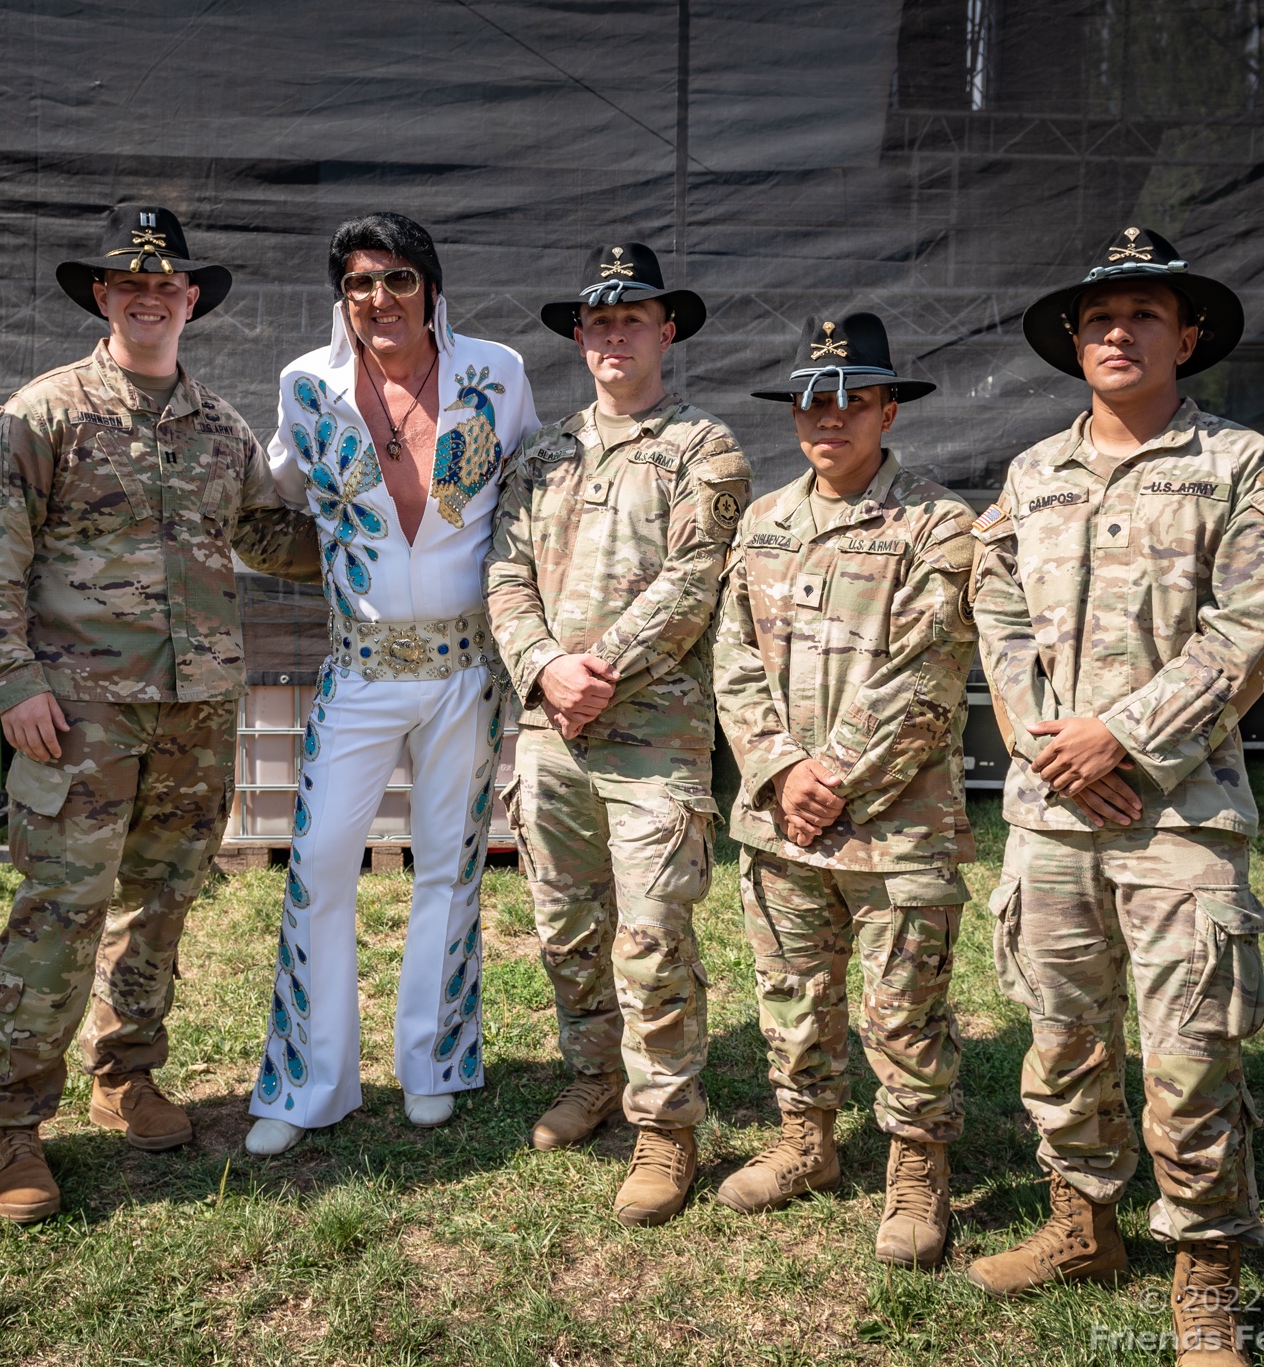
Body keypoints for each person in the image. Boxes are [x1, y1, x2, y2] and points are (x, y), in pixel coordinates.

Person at [967, 228, 1264, 1366]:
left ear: (1188, 335)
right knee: (1061, 1038)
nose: (1116, 333)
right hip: (1050, 810)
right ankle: (1082, 1227)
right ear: (1074, 343)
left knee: (1189, 1052)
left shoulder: (1246, 468)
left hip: (1179, 811)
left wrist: (1117, 736)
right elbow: (996, 613)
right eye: (1097, 319)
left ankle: (1204, 1274)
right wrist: (1040, 740)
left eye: (1142, 315)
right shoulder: (1031, 475)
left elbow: (1248, 631)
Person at [0, 203, 319, 1221]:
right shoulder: (45, 414)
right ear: (102, 297)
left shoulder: (220, 427)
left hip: (197, 709)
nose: (149, 298)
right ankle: (12, 1126)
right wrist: (13, 681)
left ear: (190, 300)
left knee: (160, 902)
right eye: (129, 284)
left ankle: (126, 1074)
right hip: (79, 713)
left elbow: (269, 537)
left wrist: (387, 523)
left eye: (165, 285)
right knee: (60, 912)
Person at [244, 213, 539, 1156]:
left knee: (449, 866)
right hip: (358, 668)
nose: (380, 299)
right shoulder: (306, 386)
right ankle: (306, 1082)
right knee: (319, 863)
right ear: (343, 298)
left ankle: (435, 1063)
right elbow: (281, 492)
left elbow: (531, 488)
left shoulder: (498, 373)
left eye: (400, 279)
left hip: (466, 670)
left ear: (433, 290)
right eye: (361, 283)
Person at [486, 242, 750, 1226]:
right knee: (566, 926)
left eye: (631, 317)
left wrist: (594, 672)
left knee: (651, 935)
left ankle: (665, 1123)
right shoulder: (542, 455)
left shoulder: (703, 447)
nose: (612, 335)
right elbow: (504, 573)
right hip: (549, 729)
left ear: (665, 330)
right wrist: (543, 669)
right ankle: (595, 1072)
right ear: (578, 337)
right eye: (596, 321)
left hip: (652, 736)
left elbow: (693, 580)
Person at [711, 313, 973, 1266]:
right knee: (792, 992)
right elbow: (732, 656)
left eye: (853, 401)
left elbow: (928, 668)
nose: (829, 419)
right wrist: (783, 770)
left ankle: (917, 1166)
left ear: (888, 410)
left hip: (898, 820)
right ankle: (806, 1143)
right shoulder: (763, 522)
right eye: (812, 403)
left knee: (905, 1007)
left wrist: (835, 776)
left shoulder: (937, 524)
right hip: (782, 817)